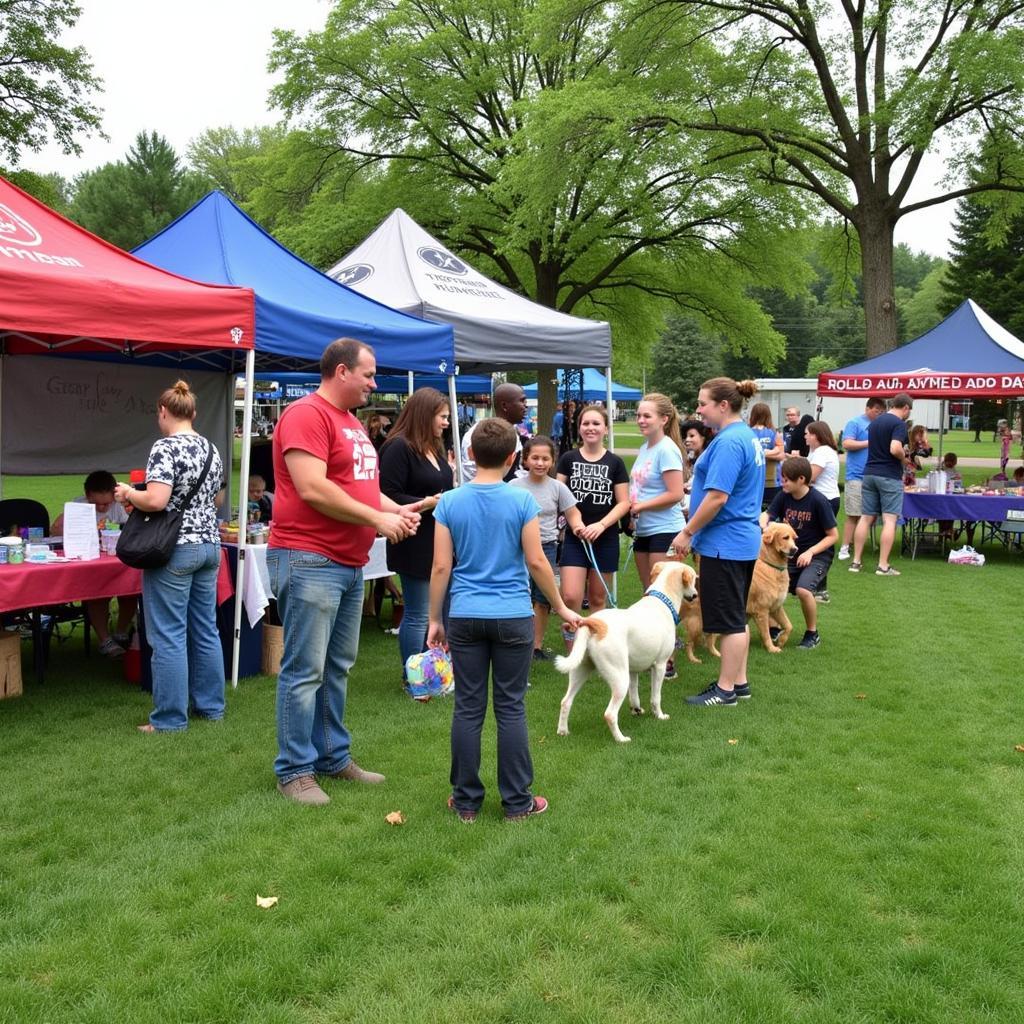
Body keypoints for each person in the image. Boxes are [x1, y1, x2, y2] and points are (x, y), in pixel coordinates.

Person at [267, 338, 425, 806]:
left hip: (348, 562)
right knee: (304, 670)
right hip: (309, 558)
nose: (374, 383)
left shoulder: (351, 423)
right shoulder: (305, 416)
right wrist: (379, 521)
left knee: (336, 667)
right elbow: (313, 489)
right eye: (368, 374)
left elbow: (361, 487)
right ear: (340, 372)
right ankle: (294, 771)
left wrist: (399, 510)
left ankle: (332, 756)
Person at [428, 418, 582, 822]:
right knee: (510, 708)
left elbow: (441, 567)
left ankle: (465, 802)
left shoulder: (449, 502)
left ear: (470, 454)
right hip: (513, 615)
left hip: (464, 614)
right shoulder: (521, 502)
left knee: (468, 708)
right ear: (514, 457)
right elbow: (535, 560)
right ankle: (517, 802)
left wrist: (433, 619)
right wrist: (562, 606)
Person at [112, 381, 225, 732]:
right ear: (193, 412)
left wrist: (131, 491)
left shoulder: (165, 447)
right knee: (205, 630)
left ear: (164, 412)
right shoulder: (212, 449)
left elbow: (157, 500)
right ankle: (211, 708)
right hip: (209, 545)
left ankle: (169, 719)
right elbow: (217, 501)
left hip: (174, 548)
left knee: (168, 635)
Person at [671, 377, 763, 707]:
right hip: (738, 540)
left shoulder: (728, 442)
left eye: (703, 403)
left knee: (730, 620)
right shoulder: (744, 436)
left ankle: (725, 691)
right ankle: (739, 683)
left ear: (723, 405)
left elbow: (717, 498)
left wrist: (688, 531)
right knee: (735, 615)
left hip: (725, 542)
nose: (698, 410)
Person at [378, 387, 454, 682]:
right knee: (419, 612)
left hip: (440, 538)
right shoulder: (398, 447)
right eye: (442, 417)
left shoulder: (434, 446)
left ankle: (437, 671)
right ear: (425, 415)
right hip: (412, 538)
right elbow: (387, 495)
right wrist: (426, 503)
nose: (447, 422)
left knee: (442, 610)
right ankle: (413, 677)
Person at [556, 405, 630, 634]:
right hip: (575, 538)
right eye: (585, 423)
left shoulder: (615, 463)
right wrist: (575, 524)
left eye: (596, 423)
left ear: (606, 429)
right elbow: (558, 494)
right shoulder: (568, 458)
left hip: (605, 537)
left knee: (598, 598)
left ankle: (596, 649)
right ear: (579, 428)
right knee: (570, 596)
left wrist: (601, 525)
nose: (590, 428)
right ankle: (574, 649)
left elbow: (624, 502)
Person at [511, 435, 583, 660]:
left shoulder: (557, 488)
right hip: (517, 549)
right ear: (525, 460)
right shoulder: (514, 486)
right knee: (519, 595)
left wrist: (579, 526)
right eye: (535, 458)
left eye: (545, 459)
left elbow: (572, 512)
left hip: (547, 548)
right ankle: (516, 642)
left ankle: (536, 646)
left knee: (543, 598)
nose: (540, 463)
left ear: (552, 462)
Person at [629, 393, 685, 679]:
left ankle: (669, 660)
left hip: (666, 529)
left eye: (647, 415)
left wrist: (640, 506)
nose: (641, 420)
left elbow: (675, 494)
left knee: (664, 598)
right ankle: (652, 652)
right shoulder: (645, 448)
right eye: (639, 415)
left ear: (664, 419)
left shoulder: (667, 449)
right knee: (649, 594)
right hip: (645, 530)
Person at [52, 469, 135, 658]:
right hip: (91, 562)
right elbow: (54, 531)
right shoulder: (78, 505)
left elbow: (132, 528)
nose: (103, 508)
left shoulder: (118, 506)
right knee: (96, 593)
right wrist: (62, 522)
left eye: (107, 503)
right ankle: (105, 640)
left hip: (116, 560)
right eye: (97, 504)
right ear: (87, 495)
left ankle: (121, 632)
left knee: (130, 589)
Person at [762, 457, 838, 650]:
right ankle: (774, 628)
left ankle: (812, 634)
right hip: (790, 554)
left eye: (786, 479)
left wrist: (811, 552)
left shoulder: (818, 501)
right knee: (767, 587)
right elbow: (768, 514)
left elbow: (833, 536)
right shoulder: (783, 496)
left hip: (817, 555)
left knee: (803, 590)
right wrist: (763, 521)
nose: (782, 483)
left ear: (801, 479)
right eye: (782, 478)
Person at [850, 393, 913, 577]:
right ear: (906, 408)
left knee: (865, 517)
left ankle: (856, 562)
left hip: (869, 473)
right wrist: (904, 458)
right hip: (889, 476)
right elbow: (895, 448)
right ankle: (883, 565)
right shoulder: (899, 424)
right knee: (890, 520)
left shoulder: (875, 422)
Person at [837, 397, 886, 561]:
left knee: (869, 514)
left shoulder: (881, 425)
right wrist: (869, 442)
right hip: (856, 476)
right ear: (868, 408)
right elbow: (847, 444)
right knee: (853, 513)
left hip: (874, 475)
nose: (879, 414)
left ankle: (863, 543)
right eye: (876, 410)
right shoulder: (855, 423)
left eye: (881, 411)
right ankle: (845, 547)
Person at [460, 382, 529, 482]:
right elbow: (471, 473)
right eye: (522, 401)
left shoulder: (514, 433)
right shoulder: (480, 433)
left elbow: (516, 470)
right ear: (504, 406)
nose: (525, 406)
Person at [806, 420, 840, 604]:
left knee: (821, 544)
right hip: (827, 499)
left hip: (824, 500)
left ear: (816, 436)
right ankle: (817, 587)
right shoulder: (820, 451)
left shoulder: (822, 452)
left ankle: (820, 588)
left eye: (807, 433)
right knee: (820, 542)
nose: (805, 436)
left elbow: (809, 477)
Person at [748, 403, 784, 509]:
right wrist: (770, 452)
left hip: (753, 479)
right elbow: (781, 454)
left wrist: (761, 454)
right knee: (772, 513)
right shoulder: (774, 433)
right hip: (772, 480)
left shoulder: (747, 433)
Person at [680, 419, 712, 518]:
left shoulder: (708, 460)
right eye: (685, 437)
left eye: (692, 436)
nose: (687, 440)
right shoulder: (691, 458)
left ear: (703, 437)